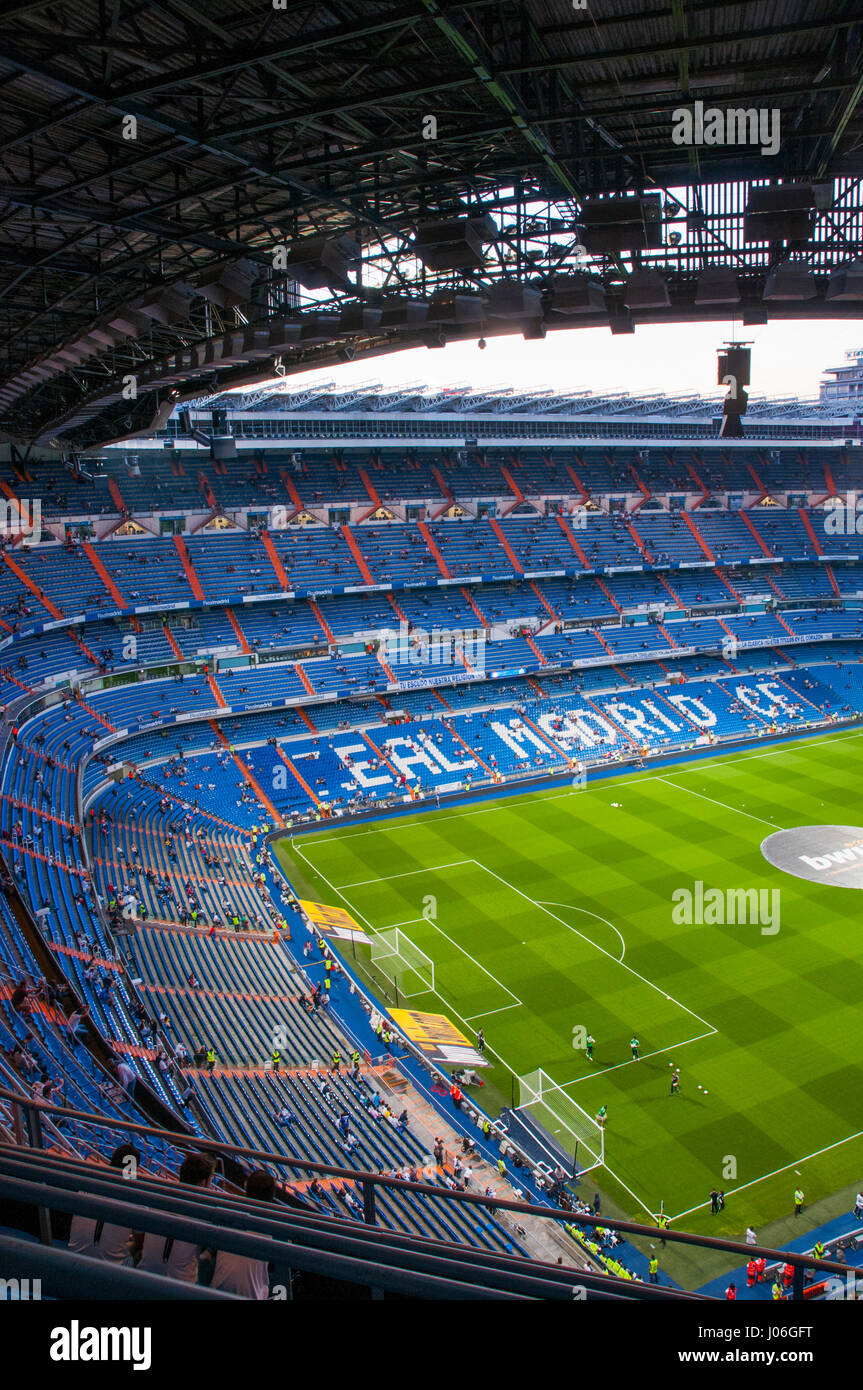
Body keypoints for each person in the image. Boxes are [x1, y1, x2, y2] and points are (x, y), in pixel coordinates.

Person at [134, 1152, 216, 1282]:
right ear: (202, 1183)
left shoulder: (158, 1199)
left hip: (144, 1277)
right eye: (212, 1178)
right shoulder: (204, 1215)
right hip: (182, 1287)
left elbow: (139, 1238)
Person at [67, 1143, 141, 1263]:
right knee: (136, 1253)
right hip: (111, 1270)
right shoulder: (136, 1199)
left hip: (73, 1260)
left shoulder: (87, 1186)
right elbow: (139, 1241)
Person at [210, 1170, 276, 1299]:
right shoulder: (273, 1227)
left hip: (215, 1292)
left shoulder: (227, 1216)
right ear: (272, 1195)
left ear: (246, 1189)